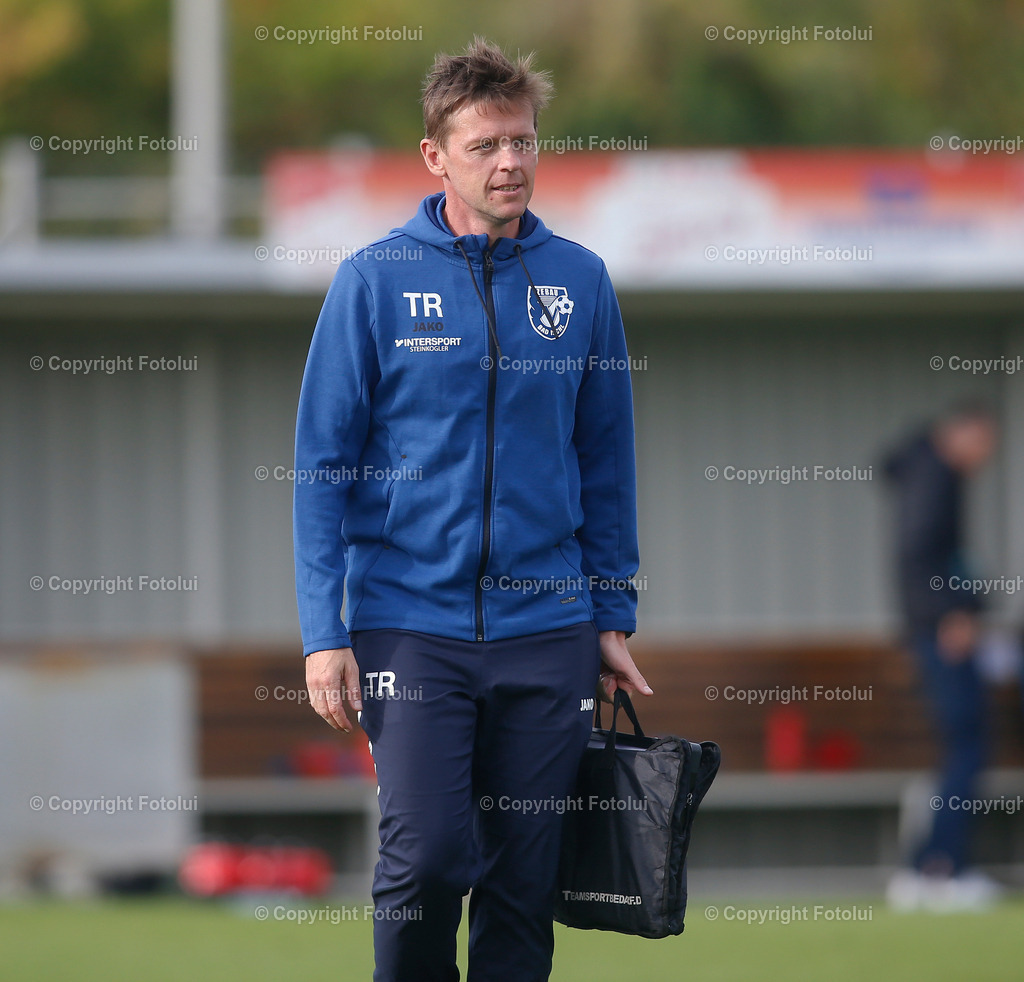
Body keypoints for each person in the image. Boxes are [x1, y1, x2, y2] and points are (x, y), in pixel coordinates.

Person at [293, 37, 651, 981]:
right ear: (435, 156)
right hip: (409, 628)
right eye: (488, 144)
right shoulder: (372, 281)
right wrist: (322, 633)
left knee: (524, 884)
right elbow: (320, 465)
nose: (511, 162)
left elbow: (606, 459)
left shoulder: (581, 282)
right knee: (429, 862)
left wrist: (611, 613)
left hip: (551, 630)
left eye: (525, 141)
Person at [883, 401, 1001, 911]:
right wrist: (953, 612)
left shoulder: (928, 471)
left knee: (961, 749)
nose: (985, 455)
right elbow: (919, 551)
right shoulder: (934, 474)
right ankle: (941, 869)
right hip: (942, 631)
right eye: (984, 442)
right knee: (967, 746)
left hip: (933, 628)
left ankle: (924, 868)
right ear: (960, 433)